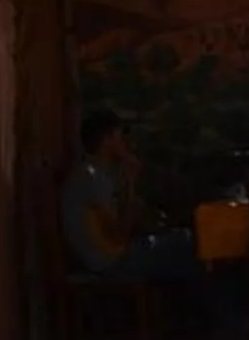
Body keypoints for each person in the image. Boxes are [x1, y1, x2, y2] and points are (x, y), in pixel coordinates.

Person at [60, 111, 198, 282]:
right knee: (191, 245)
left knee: (186, 248)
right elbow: (119, 234)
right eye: (120, 136)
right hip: (109, 262)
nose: (125, 142)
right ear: (107, 139)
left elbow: (134, 218)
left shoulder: (99, 173)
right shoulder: (91, 177)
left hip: (113, 255)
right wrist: (130, 184)